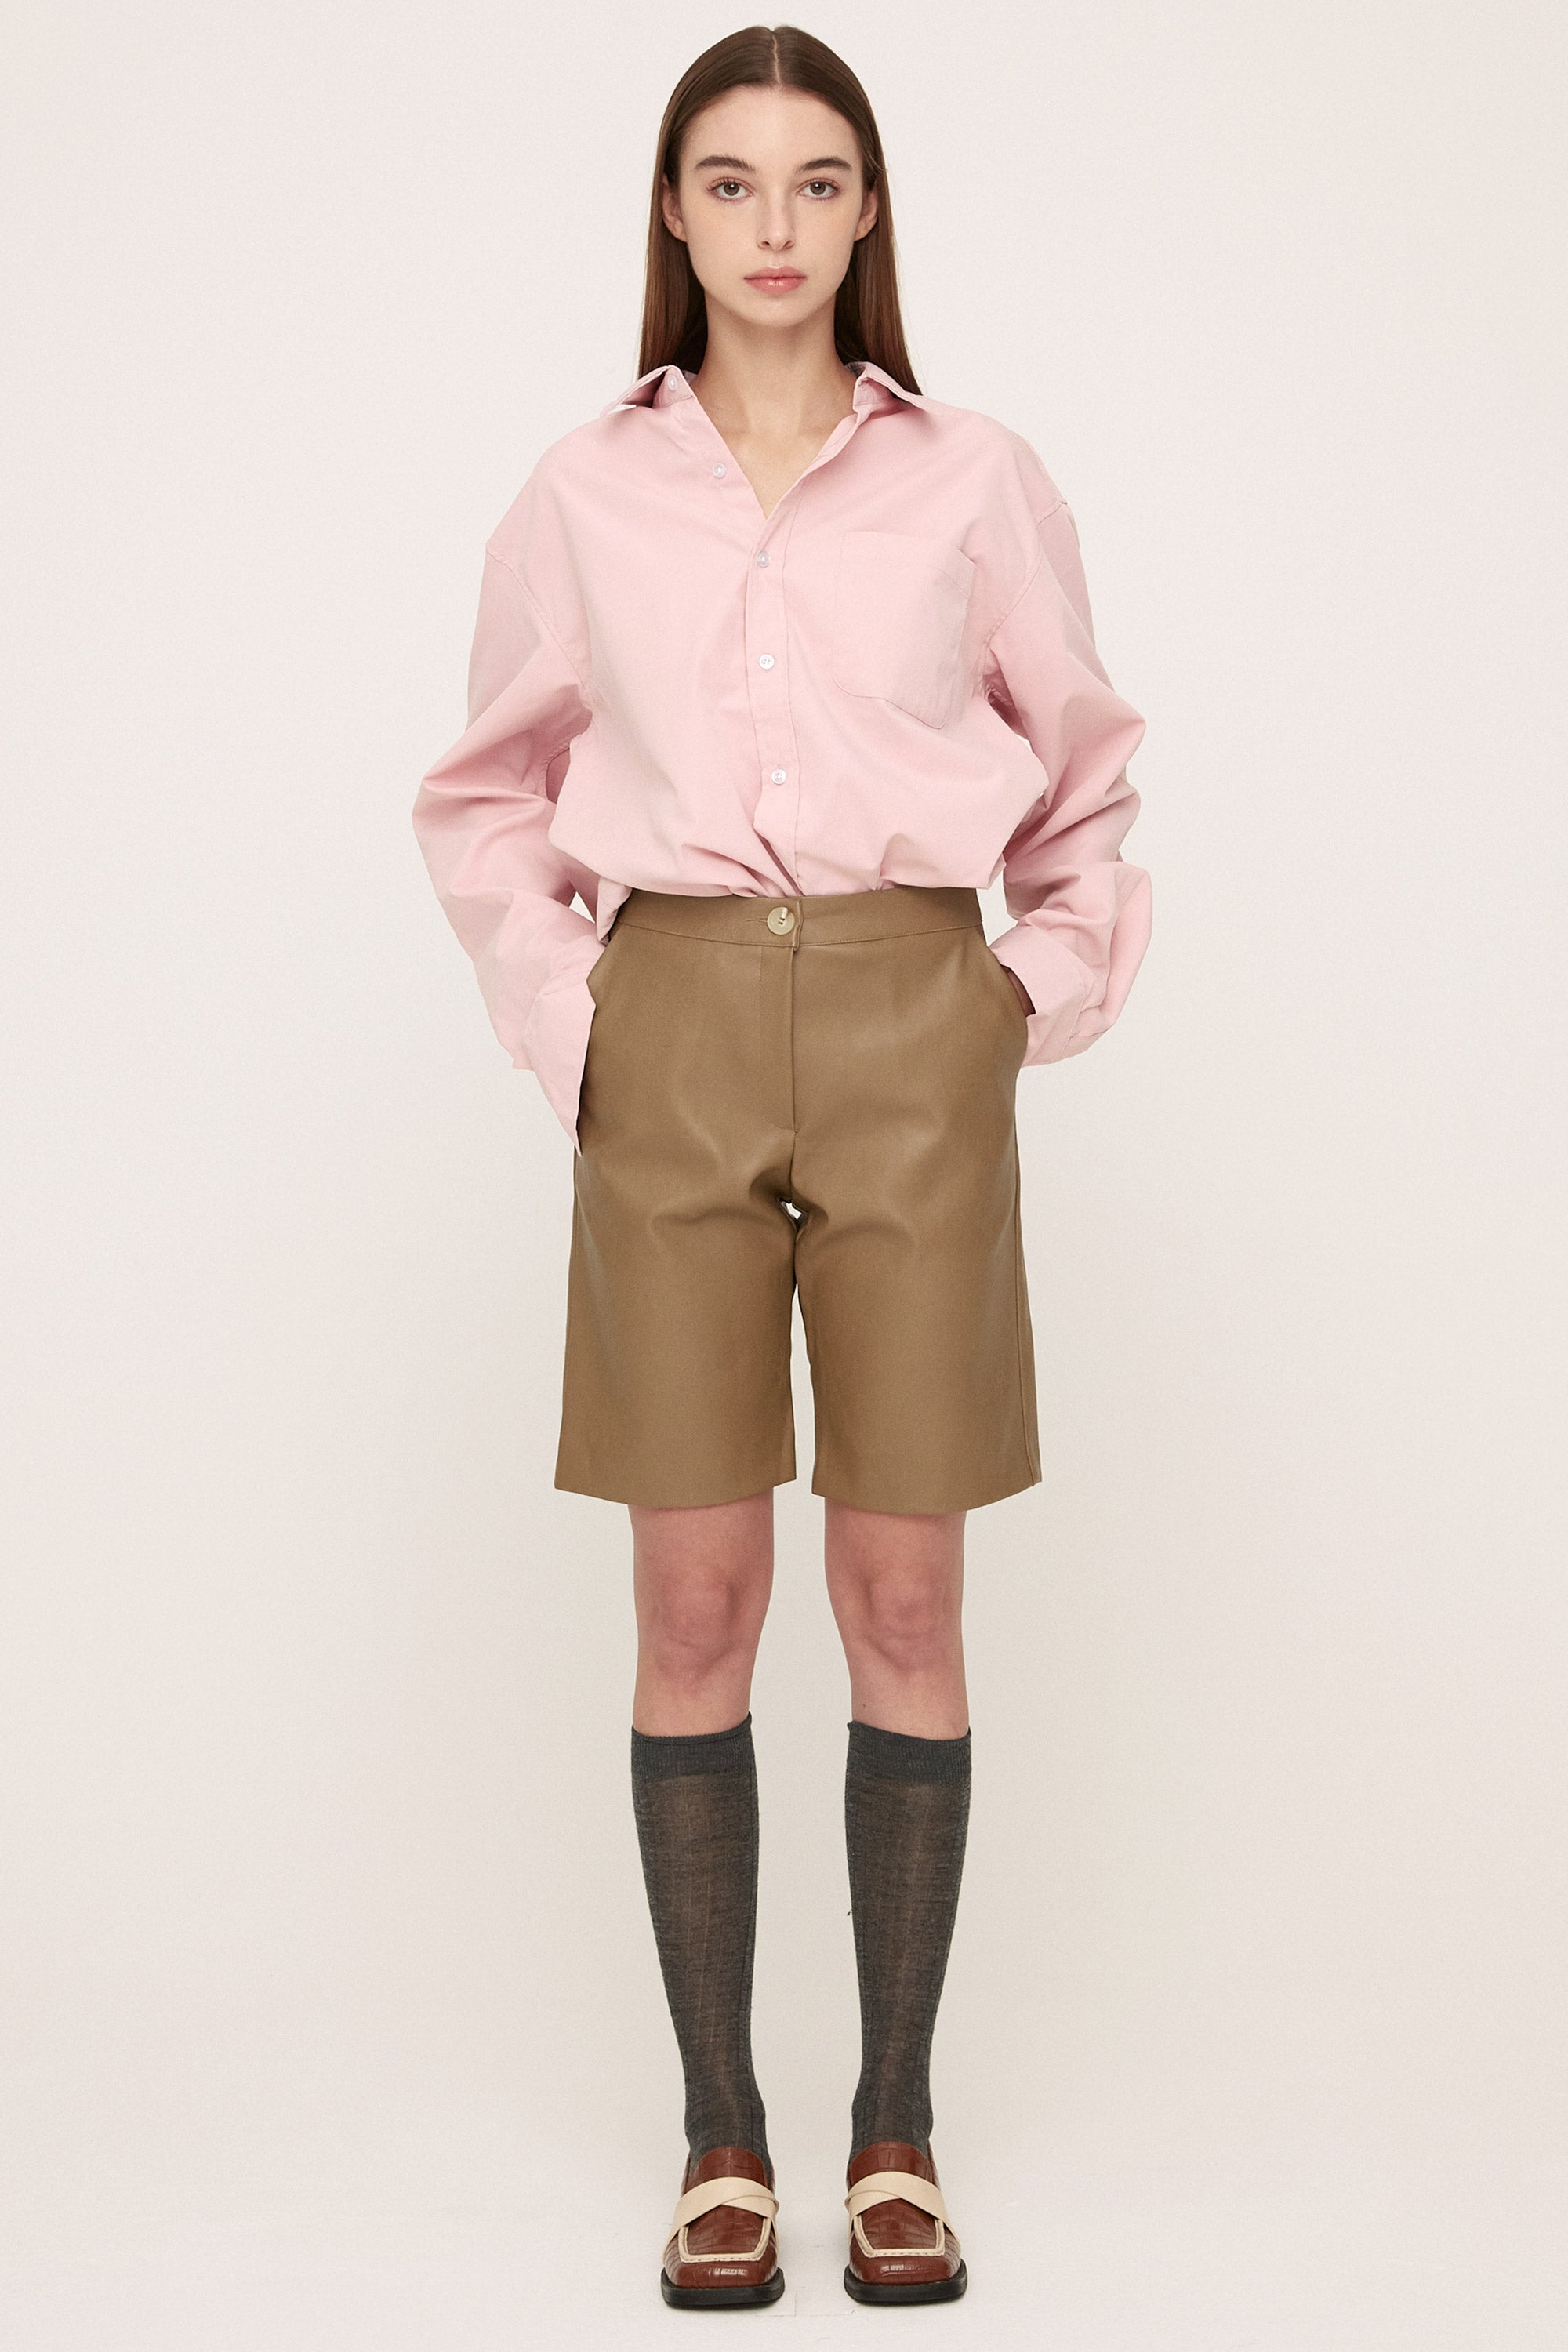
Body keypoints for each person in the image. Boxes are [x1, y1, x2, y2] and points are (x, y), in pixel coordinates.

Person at [412, 21, 1149, 2311]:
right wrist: (580, 1023)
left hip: (920, 1020)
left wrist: (1020, 993)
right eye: (729, 182)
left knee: (904, 1597)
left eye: (817, 182)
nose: (774, 225)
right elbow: (487, 792)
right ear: (674, 211)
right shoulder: (582, 491)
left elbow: (1084, 773)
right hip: (677, 1024)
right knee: (696, 1602)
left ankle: (893, 2127)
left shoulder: (974, 480)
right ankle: (721, 2135)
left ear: (867, 213)